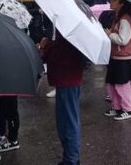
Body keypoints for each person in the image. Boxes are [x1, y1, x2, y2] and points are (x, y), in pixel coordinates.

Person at [40, 31, 86, 165]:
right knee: (67, 121)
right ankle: (70, 157)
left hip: (67, 79)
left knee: (69, 122)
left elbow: (61, 54)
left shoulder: (70, 31)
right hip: (66, 79)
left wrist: (46, 46)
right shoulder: (68, 28)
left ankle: (71, 159)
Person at [104, 0, 131, 121]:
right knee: (111, 83)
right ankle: (117, 107)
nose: (110, 2)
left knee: (122, 84)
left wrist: (110, 34)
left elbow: (123, 40)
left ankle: (128, 109)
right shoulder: (118, 18)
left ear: (121, 4)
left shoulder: (125, 20)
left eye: (114, 0)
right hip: (115, 56)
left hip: (123, 57)